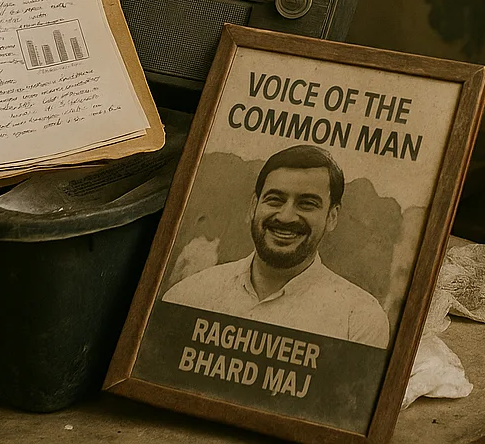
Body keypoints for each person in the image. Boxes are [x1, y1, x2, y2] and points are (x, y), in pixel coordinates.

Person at [163, 145, 391, 348]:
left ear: (332, 217)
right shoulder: (187, 296)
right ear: (254, 206)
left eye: (307, 204)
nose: (286, 216)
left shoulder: (361, 319)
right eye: (275, 199)